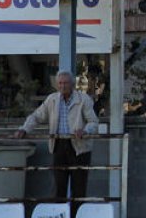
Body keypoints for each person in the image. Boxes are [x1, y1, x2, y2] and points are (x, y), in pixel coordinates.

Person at [14, 70, 99, 205]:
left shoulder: (83, 100)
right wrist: (24, 129)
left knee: (79, 187)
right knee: (59, 185)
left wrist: (85, 131)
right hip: (59, 145)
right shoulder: (52, 100)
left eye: (65, 83)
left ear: (72, 84)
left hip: (79, 147)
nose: (63, 86)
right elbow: (37, 116)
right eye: (60, 83)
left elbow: (93, 122)